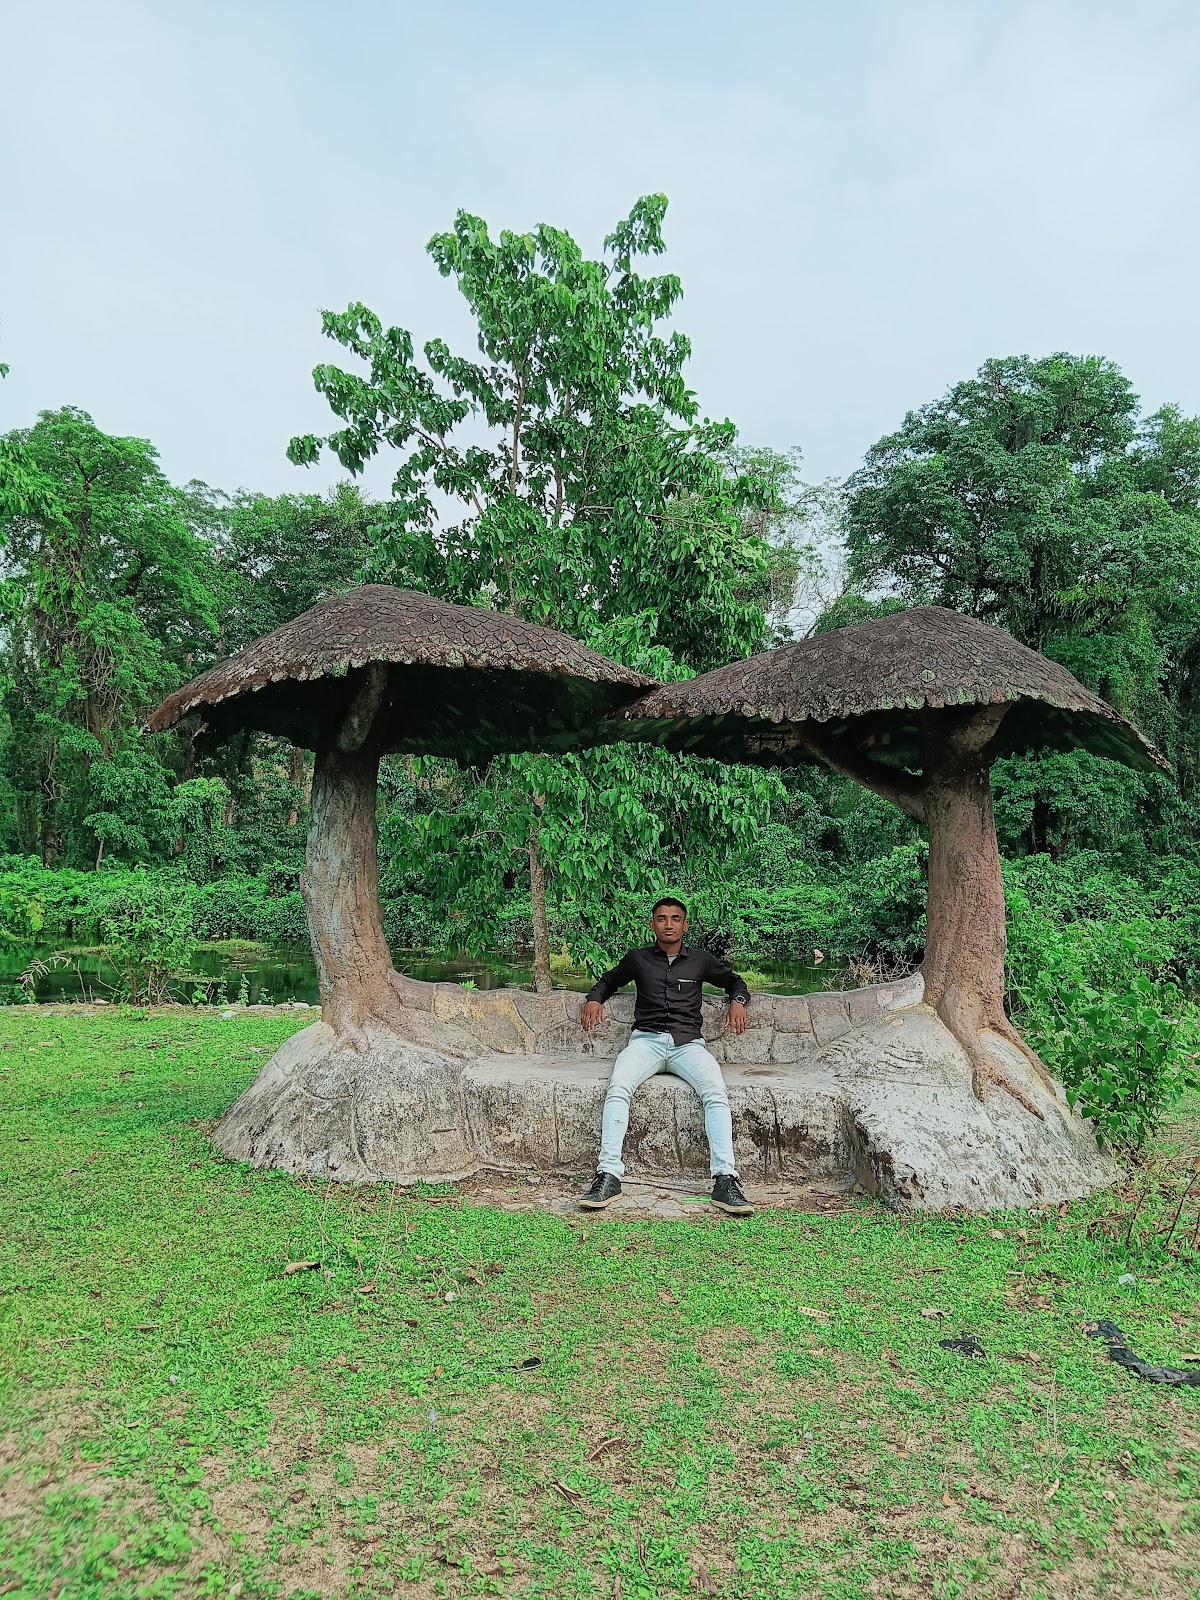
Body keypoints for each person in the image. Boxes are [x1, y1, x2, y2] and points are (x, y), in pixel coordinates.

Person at [578, 897, 755, 1216]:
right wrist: (594, 999)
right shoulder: (638, 959)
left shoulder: (700, 961)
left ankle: (725, 1179)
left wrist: (738, 1001)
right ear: (652, 924)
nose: (668, 924)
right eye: (661, 918)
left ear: (685, 925)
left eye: (675, 918)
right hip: (646, 1043)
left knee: (715, 1091)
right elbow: (609, 980)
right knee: (618, 1086)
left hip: (688, 1045)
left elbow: (735, 982)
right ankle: (608, 1175)